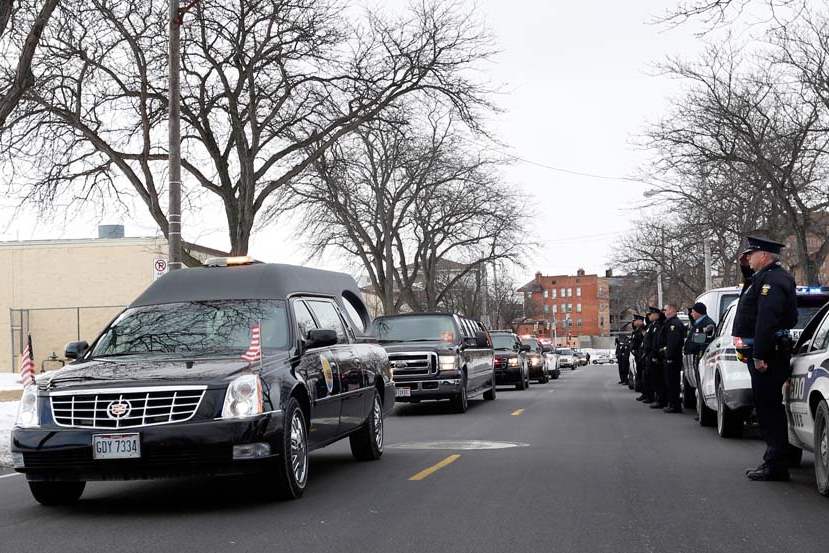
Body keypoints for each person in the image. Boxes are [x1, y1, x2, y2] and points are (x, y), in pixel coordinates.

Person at [733, 235, 798, 482]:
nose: (748, 258)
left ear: (765, 256)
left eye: (751, 255)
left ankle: (776, 464)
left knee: (769, 408)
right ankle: (778, 457)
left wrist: (759, 354)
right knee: (768, 407)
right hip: (766, 352)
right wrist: (744, 267)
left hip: (769, 355)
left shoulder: (774, 280)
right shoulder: (763, 278)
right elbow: (751, 287)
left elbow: (766, 319)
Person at [660, 303, 687, 413]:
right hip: (670, 357)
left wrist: (668, 356)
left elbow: (672, 343)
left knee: (672, 382)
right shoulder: (670, 323)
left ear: (671, 310)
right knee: (669, 381)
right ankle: (672, 403)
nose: (664, 312)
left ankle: (674, 405)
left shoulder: (674, 324)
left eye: (666, 310)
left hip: (673, 358)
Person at [643, 306, 665, 406]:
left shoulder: (658, 325)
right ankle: (654, 397)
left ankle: (660, 399)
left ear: (656, 315)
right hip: (649, 354)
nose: (650, 316)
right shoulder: (652, 325)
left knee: (657, 378)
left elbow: (656, 341)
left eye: (651, 314)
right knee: (652, 377)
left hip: (655, 354)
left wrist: (655, 354)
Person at [630, 315, 646, 396]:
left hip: (641, 355)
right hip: (637, 355)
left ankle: (645, 392)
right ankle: (643, 392)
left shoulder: (642, 331)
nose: (634, 322)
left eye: (636, 320)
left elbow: (643, 343)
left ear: (641, 321)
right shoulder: (635, 331)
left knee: (642, 374)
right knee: (639, 373)